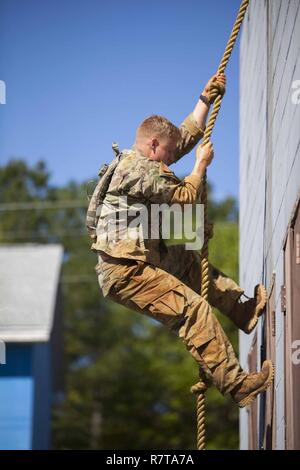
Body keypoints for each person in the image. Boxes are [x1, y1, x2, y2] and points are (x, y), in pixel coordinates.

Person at [91, 73, 274, 407]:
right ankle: (238, 386)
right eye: (168, 153)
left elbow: (183, 138)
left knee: (189, 263)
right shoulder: (139, 171)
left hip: (143, 258)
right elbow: (187, 196)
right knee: (193, 311)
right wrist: (200, 167)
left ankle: (242, 311)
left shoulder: (146, 158)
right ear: (153, 146)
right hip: (126, 271)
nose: (172, 158)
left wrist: (204, 100)